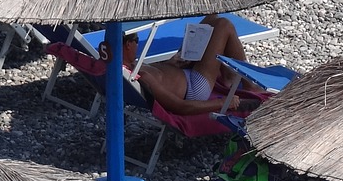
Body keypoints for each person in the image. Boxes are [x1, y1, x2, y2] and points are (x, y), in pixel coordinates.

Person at [98, 15, 262, 117]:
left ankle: (228, 75)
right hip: (195, 86)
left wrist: (171, 63)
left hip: (181, 69)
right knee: (223, 25)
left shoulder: (128, 66)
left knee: (211, 20)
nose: (137, 45)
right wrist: (222, 102)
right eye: (136, 41)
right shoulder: (142, 76)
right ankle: (249, 86)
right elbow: (181, 106)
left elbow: (163, 76)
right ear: (127, 45)